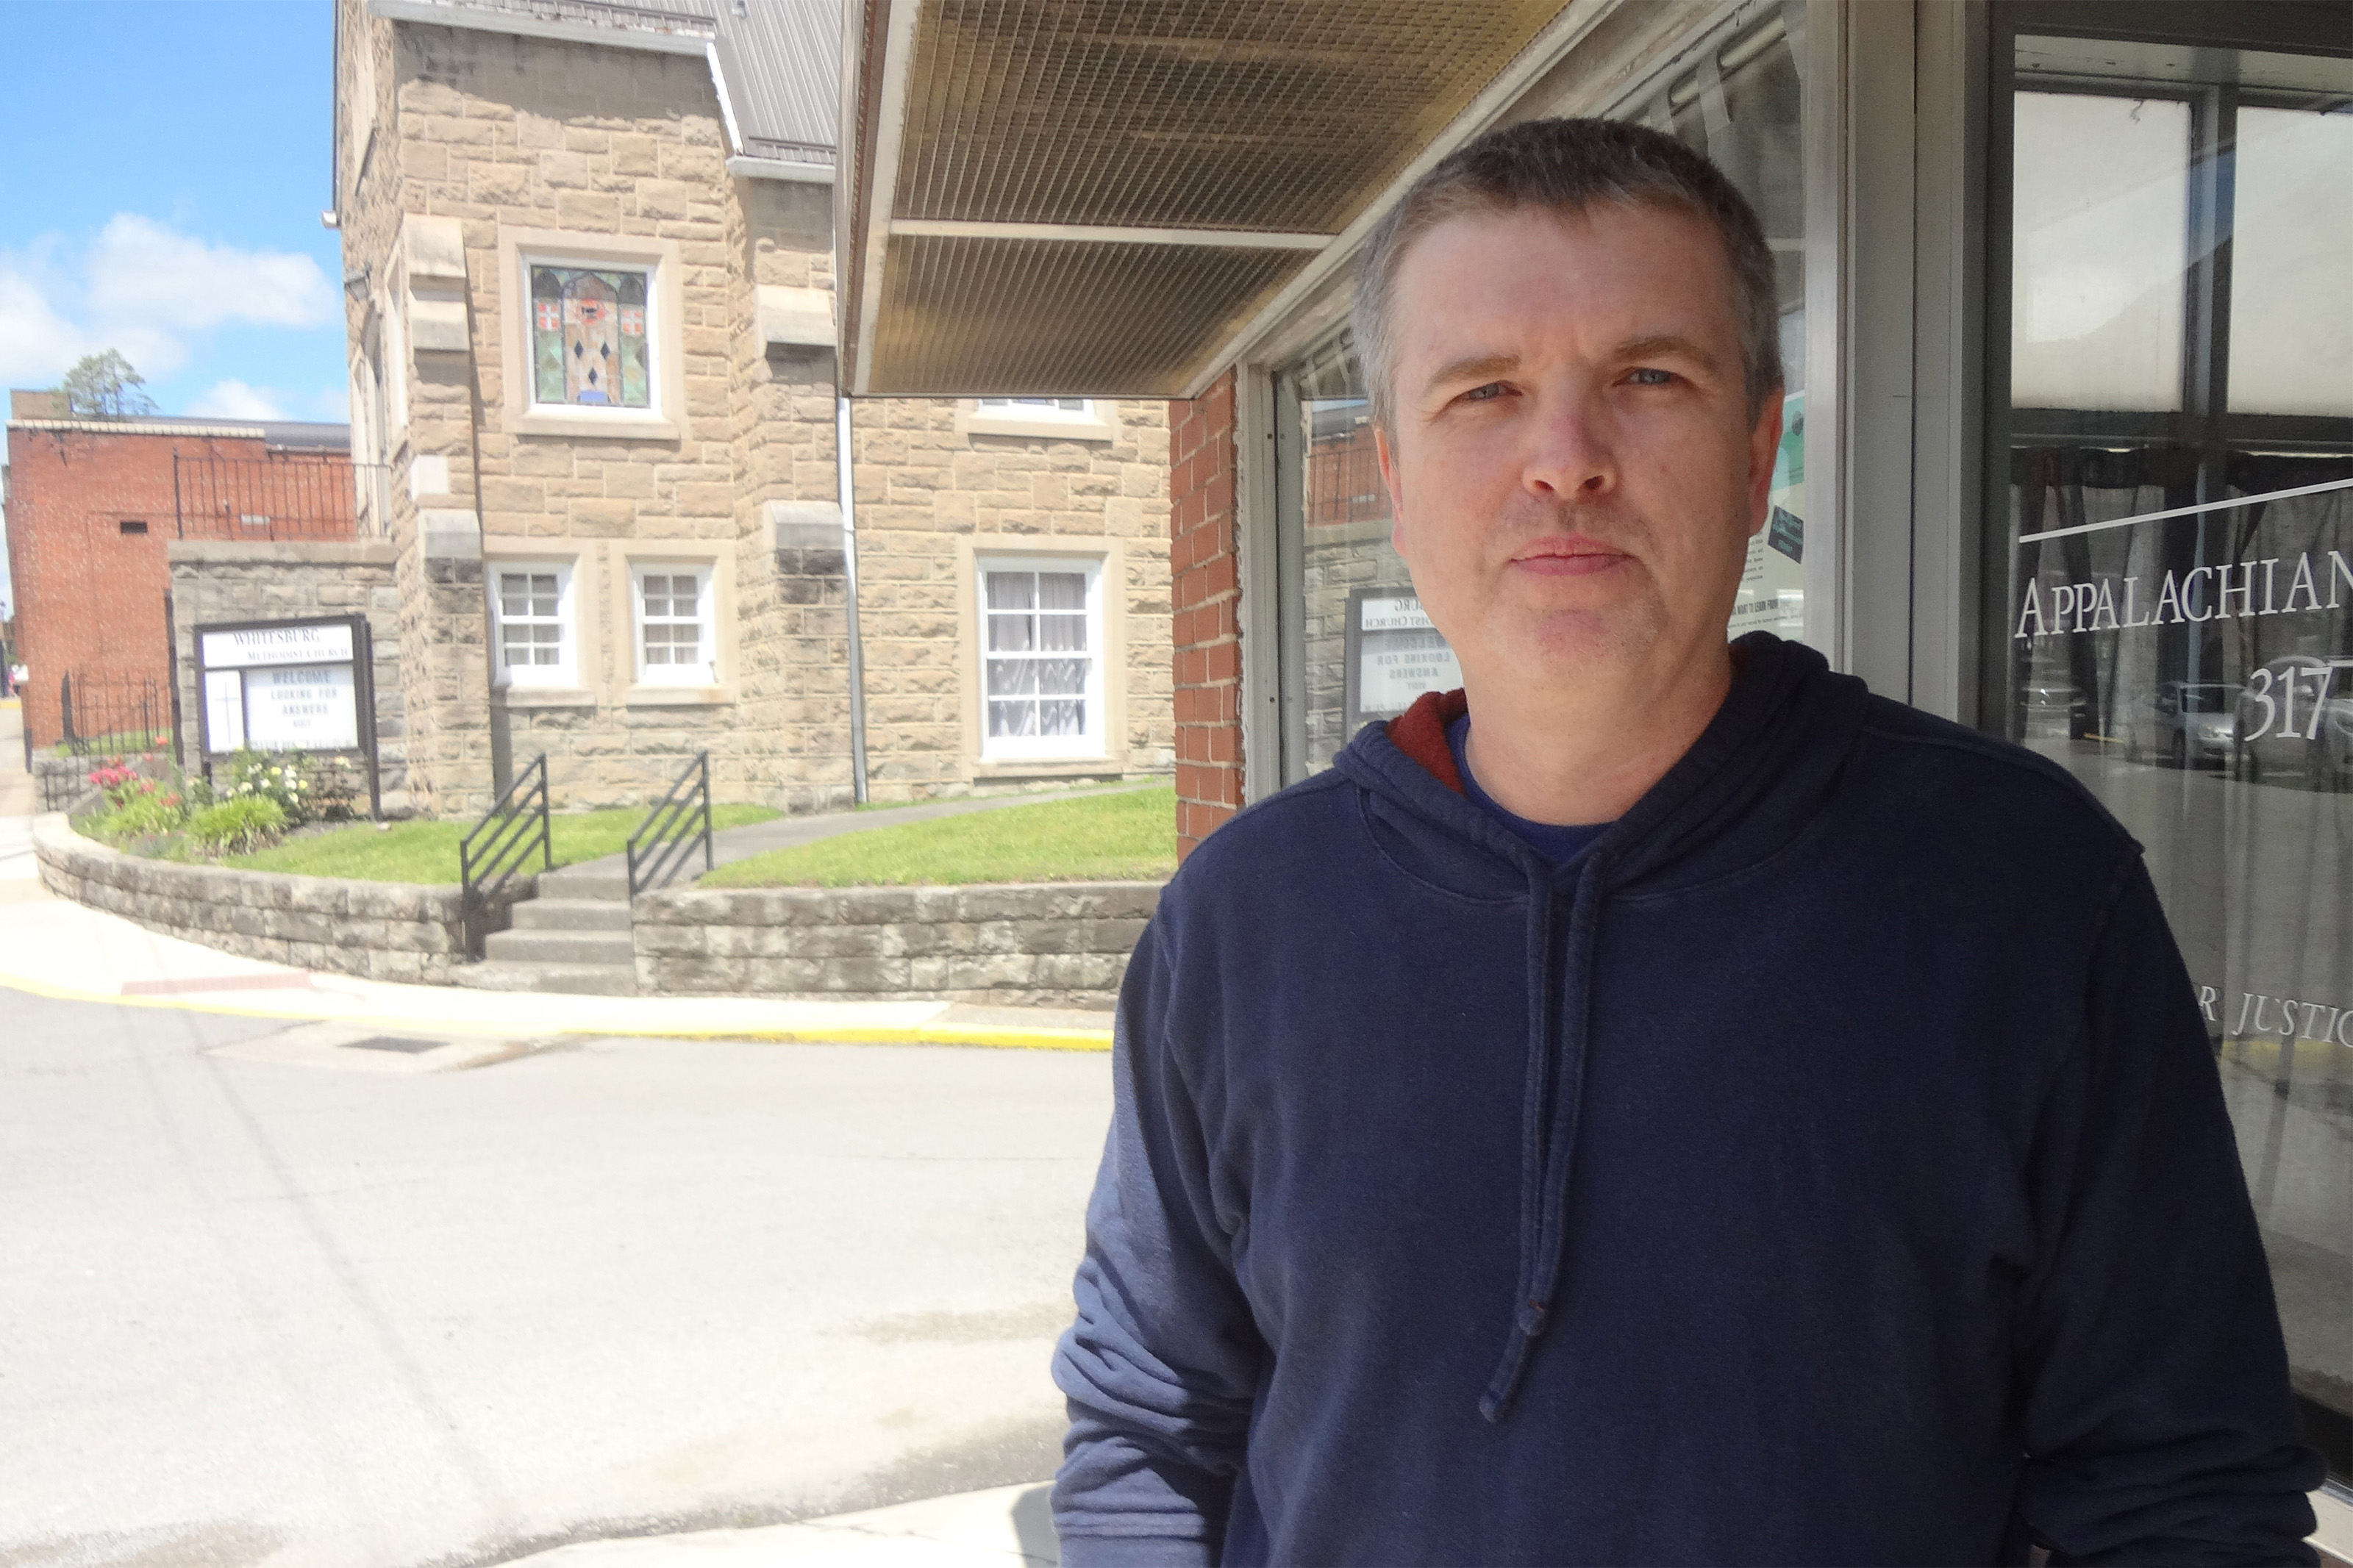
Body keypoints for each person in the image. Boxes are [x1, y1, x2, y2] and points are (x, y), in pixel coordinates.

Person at [1049, 119, 2321, 1565]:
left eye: (1648, 378)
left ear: (1758, 450)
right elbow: (1151, 1424)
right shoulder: (1244, 921)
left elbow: (2179, 1495)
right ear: (1394, 479)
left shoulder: (2023, 894)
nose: (1565, 461)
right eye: (1485, 391)